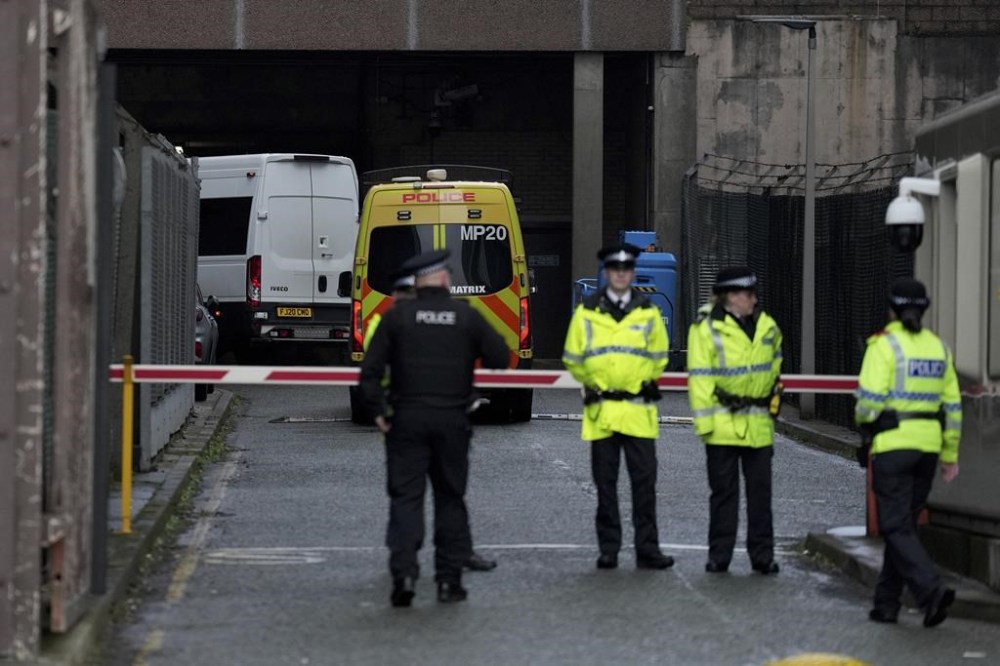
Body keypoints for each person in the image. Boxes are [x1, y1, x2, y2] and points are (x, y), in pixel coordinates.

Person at [360, 249, 508, 607]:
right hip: (452, 421)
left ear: (417, 281)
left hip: (407, 420)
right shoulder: (465, 315)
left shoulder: (396, 318)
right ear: (443, 279)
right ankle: (448, 580)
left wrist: (379, 412)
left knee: (406, 500)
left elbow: (369, 372)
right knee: (450, 500)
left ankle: (406, 574)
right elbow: (500, 359)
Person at [854, 278, 961, 627]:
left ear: (893, 309)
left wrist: (866, 427)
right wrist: (949, 455)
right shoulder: (939, 348)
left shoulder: (884, 345)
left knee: (895, 526)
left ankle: (930, 590)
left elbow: (867, 404)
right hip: (928, 448)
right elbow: (953, 407)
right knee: (904, 526)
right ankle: (886, 604)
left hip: (893, 446)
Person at [562, 243, 674, 571]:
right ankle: (608, 549)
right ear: (607, 273)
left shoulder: (648, 312)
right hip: (604, 411)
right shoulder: (587, 311)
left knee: (644, 486)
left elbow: (660, 357)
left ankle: (647, 549)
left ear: (631, 273)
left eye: (626, 270)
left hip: (638, 411)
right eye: (615, 270)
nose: (621, 275)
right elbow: (572, 356)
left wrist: (639, 379)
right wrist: (594, 381)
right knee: (605, 486)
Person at [687, 266, 783, 575]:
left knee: (761, 497)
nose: (754, 300)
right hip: (723, 424)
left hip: (758, 425)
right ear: (730, 297)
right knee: (724, 496)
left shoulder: (768, 326)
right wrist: (706, 426)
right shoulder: (706, 328)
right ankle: (720, 556)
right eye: (748, 294)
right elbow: (700, 379)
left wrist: (772, 406)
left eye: (754, 294)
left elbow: (774, 371)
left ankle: (762, 556)